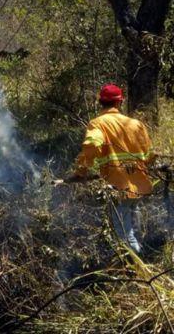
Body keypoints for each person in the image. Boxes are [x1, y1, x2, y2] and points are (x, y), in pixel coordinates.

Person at [69, 83, 155, 253]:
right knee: (131, 224)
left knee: (123, 234)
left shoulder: (98, 124)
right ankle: (140, 259)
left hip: (118, 187)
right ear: (119, 102)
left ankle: (135, 265)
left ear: (101, 102)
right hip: (139, 185)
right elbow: (150, 155)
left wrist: (81, 171)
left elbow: (92, 146)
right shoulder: (136, 124)